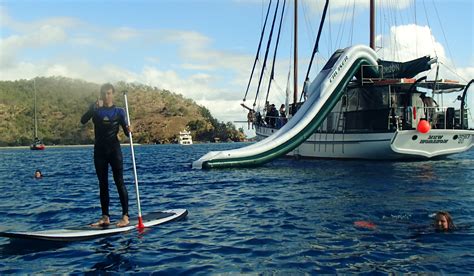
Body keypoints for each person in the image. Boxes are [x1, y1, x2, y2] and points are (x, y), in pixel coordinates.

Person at [81, 83, 130, 227]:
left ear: (113, 94)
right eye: (104, 93)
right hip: (99, 152)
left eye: (109, 93)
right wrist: (92, 108)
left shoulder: (119, 111)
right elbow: (83, 120)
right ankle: (105, 217)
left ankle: (125, 216)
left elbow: (127, 133)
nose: (106, 96)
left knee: (119, 182)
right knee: (103, 184)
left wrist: (129, 129)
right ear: (101, 94)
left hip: (114, 151)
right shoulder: (96, 110)